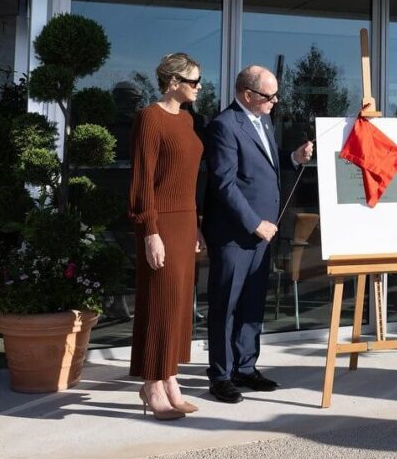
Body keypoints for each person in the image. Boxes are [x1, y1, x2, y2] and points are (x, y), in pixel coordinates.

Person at [202, 66, 314, 403]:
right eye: (269, 96)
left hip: (263, 234)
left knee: (252, 304)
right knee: (226, 306)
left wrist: (292, 157)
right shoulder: (223, 126)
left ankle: (246, 367)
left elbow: (264, 163)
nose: (275, 101)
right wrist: (254, 223)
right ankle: (220, 376)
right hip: (236, 233)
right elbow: (224, 183)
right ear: (248, 94)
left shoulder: (262, 119)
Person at [128, 53, 206, 420]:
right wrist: (150, 231)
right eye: (193, 81)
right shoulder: (150, 118)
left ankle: (171, 378)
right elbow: (143, 180)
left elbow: (187, 180)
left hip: (185, 221)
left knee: (178, 305)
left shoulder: (188, 121)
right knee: (160, 302)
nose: (199, 87)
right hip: (161, 224)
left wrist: (196, 227)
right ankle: (152, 384)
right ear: (173, 82)